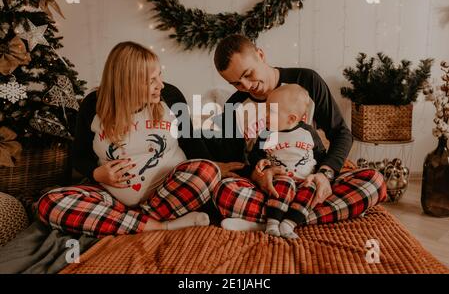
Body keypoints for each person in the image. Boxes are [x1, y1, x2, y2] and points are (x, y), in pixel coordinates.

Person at [36, 41, 221, 238]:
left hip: (169, 195)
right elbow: (79, 157)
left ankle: (126, 223)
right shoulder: (93, 105)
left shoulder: (171, 96)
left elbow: (192, 143)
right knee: (49, 203)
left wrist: (217, 168)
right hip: (113, 199)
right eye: (151, 80)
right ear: (128, 82)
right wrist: (97, 174)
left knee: (207, 171)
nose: (161, 85)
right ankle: (160, 226)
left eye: (160, 75)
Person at [210, 34, 387, 232]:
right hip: (271, 190)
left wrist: (325, 174)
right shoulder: (233, 107)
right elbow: (237, 163)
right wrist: (257, 176)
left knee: (375, 182)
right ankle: (297, 218)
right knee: (223, 192)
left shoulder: (307, 81)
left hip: (311, 182)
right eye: (236, 83)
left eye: (248, 74)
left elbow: (341, 133)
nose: (247, 86)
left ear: (260, 55)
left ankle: (271, 221)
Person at [248, 84, 326, 238]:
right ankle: (272, 223)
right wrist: (261, 163)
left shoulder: (307, 132)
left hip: (304, 180)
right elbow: (254, 156)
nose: (266, 115)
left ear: (291, 118)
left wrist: (319, 175)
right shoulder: (266, 134)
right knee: (285, 183)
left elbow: (321, 155)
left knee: (311, 190)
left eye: (272, 111)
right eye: (266, 109)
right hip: (280, 183)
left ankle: (288, 224)